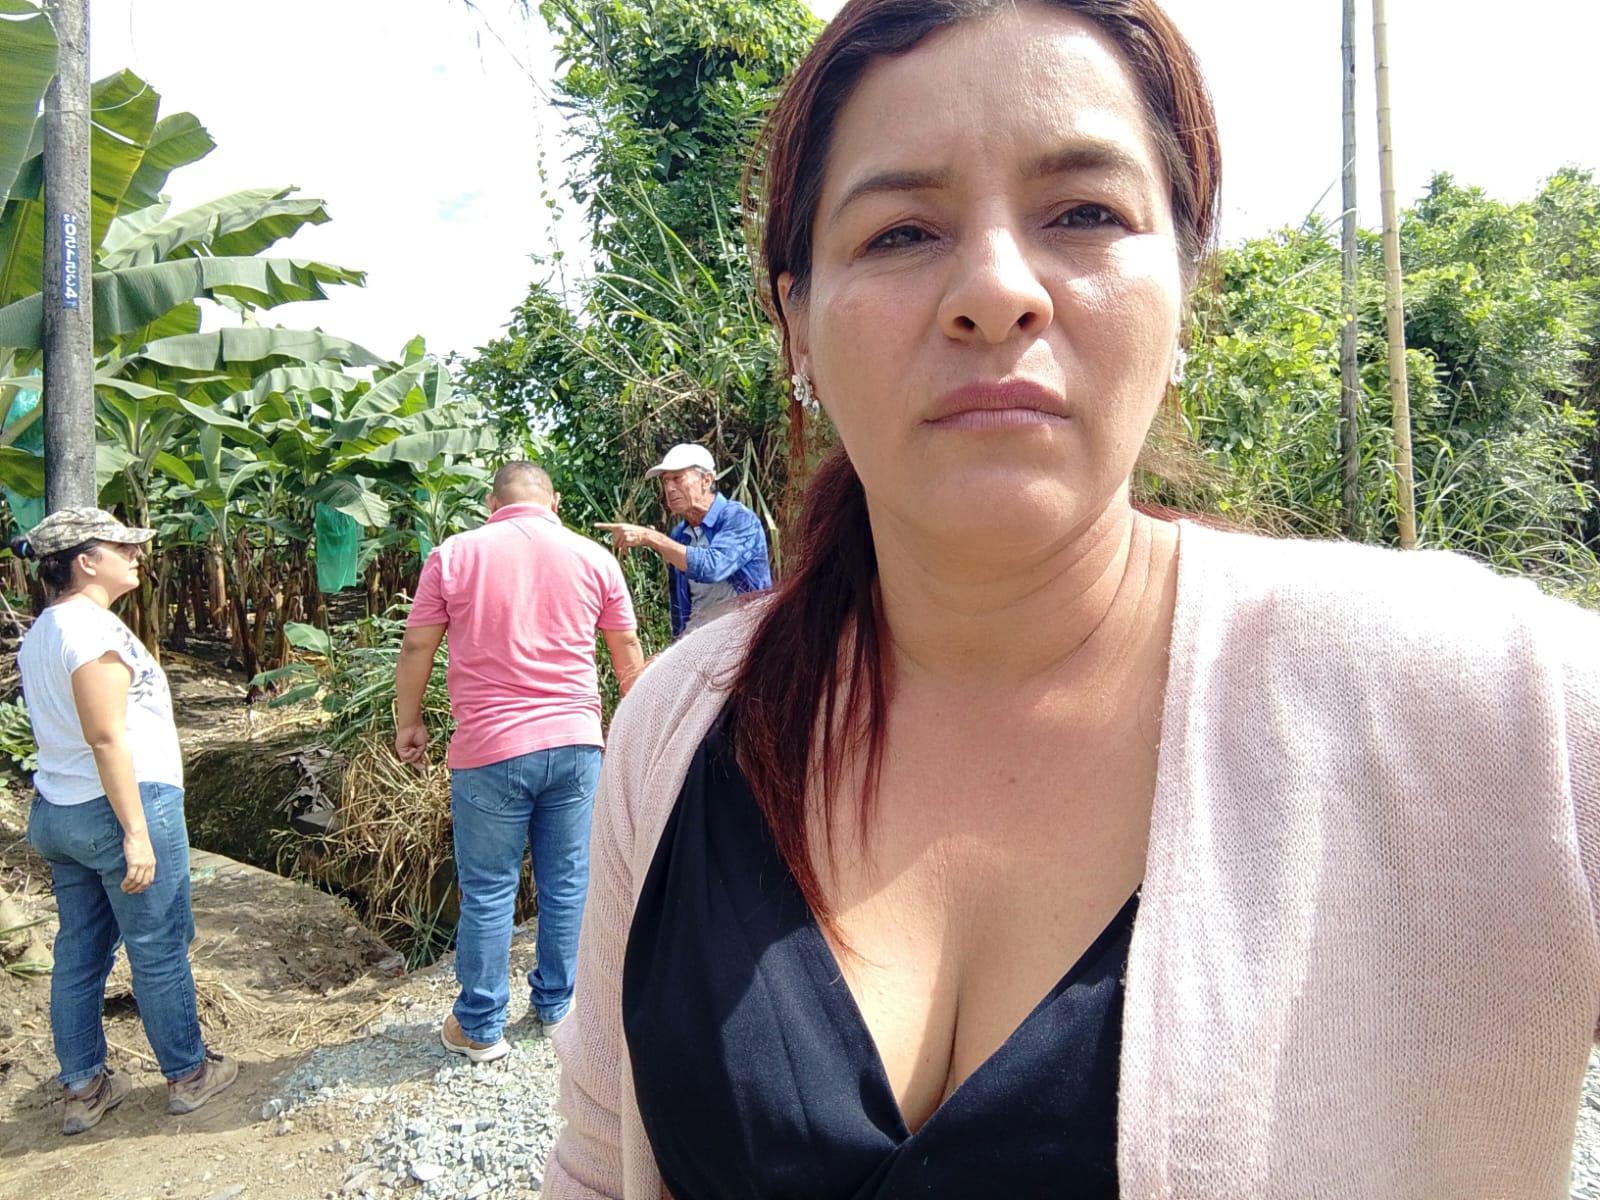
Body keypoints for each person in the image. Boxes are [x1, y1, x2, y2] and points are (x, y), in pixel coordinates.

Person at [546, 1, 1600, 1197]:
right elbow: (596, 1165)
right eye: (900, 232)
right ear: (795, 325)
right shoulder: (678, 731)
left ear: (1185, 288)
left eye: (1085, 213)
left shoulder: (1489, 707)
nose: (995, 291)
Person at [395, 462, 644, 1063]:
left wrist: (409, 721)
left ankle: (480, 1026)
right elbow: (627, 650)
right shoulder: (594, 558)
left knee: (487, 889)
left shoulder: (454, 555)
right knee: (568, 881)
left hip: (491, 749)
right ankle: (559, 1006)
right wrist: (637, 728)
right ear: (554, 502)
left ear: (490, 505)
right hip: (577, 744)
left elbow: (417, 643)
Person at [14, 507, 237, 1135]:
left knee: (80, 952)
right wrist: (136, 832)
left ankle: (83, 1089)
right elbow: (107, 738)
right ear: (86, 562)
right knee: (158, 944)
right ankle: (189, 1075)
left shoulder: (45, 630)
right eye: (122, 547)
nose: (136, 555)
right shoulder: (88, 630)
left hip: (61, 809)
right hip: (117, 806)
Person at [596, 443, 772, 637]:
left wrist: (649, 537)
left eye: (678, 478)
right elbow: (679, 607)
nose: (669, 488)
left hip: (743, 634)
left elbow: (713, 567)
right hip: (698, 635)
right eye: (665, 481)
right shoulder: (680, 534)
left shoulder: (738, 518)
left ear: (706, 480)